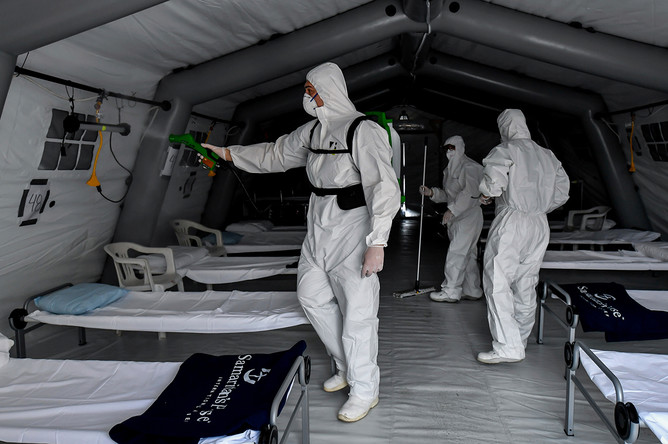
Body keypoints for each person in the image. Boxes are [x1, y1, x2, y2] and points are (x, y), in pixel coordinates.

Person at [202, 62, 401, 422]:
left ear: (327, 90)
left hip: (353, 226)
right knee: (310, 296)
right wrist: (230, 153)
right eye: (307, 90)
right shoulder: (312, 131)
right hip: (319, 223)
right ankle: (344, 365)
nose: (307, 96)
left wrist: (377, 242)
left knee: (357, 312)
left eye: (311, 90)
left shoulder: (363, 130)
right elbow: (275, 155)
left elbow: (383, 186)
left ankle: (364, 389)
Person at [477, 109, 570, 364]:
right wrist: (540, 206)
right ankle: (520, 338)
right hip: (539, 222)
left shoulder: (506, 149)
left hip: (513, 219)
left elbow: (494, 184)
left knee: (497, 280)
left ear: (505, 128)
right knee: (526, 282)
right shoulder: (547, 154)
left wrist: (487, 194)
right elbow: (562, 193)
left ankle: (508, 346)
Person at [418, 135, 484, 303]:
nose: (449, 152)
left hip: (468, 216)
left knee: (456, 252)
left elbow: (470, 194)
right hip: (457, 217)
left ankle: (451, 290)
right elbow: (449, 195)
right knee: (467, 254)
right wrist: (432, 193)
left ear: (460, 147)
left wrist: (452, 211)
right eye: (446, 148)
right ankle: (472, 289)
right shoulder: (449, 170)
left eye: (452, 148)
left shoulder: (470, 167)